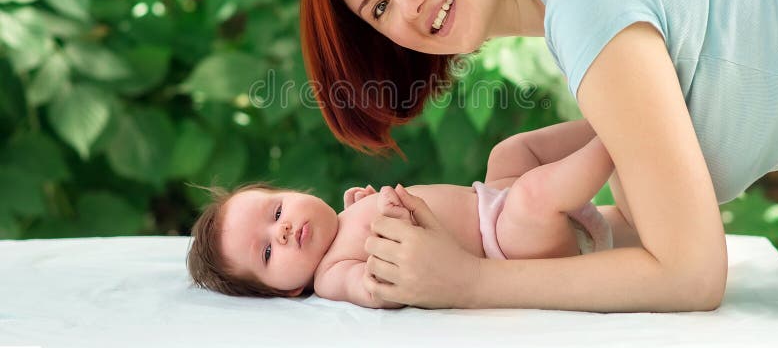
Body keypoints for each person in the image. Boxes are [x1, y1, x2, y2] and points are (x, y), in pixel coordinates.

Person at [299, 0, 778, 311]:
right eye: (379, 8)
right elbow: (644, 235)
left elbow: (690, 276)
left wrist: (470, 281)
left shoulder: (585, 0)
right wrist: (484, 229)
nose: (408, 7)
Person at [186, 131, 630, 308]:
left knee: (509, 153)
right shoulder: (329, 276)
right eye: (267, 251)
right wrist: (385, 237)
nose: (281, 230)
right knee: (532, 197)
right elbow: (378, 289)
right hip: (510, 248)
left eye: (277, 211)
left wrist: (361, 208)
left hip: (491, 203)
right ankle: (621, 135)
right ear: (287, 289)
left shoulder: (345, 218)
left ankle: (597, 118)